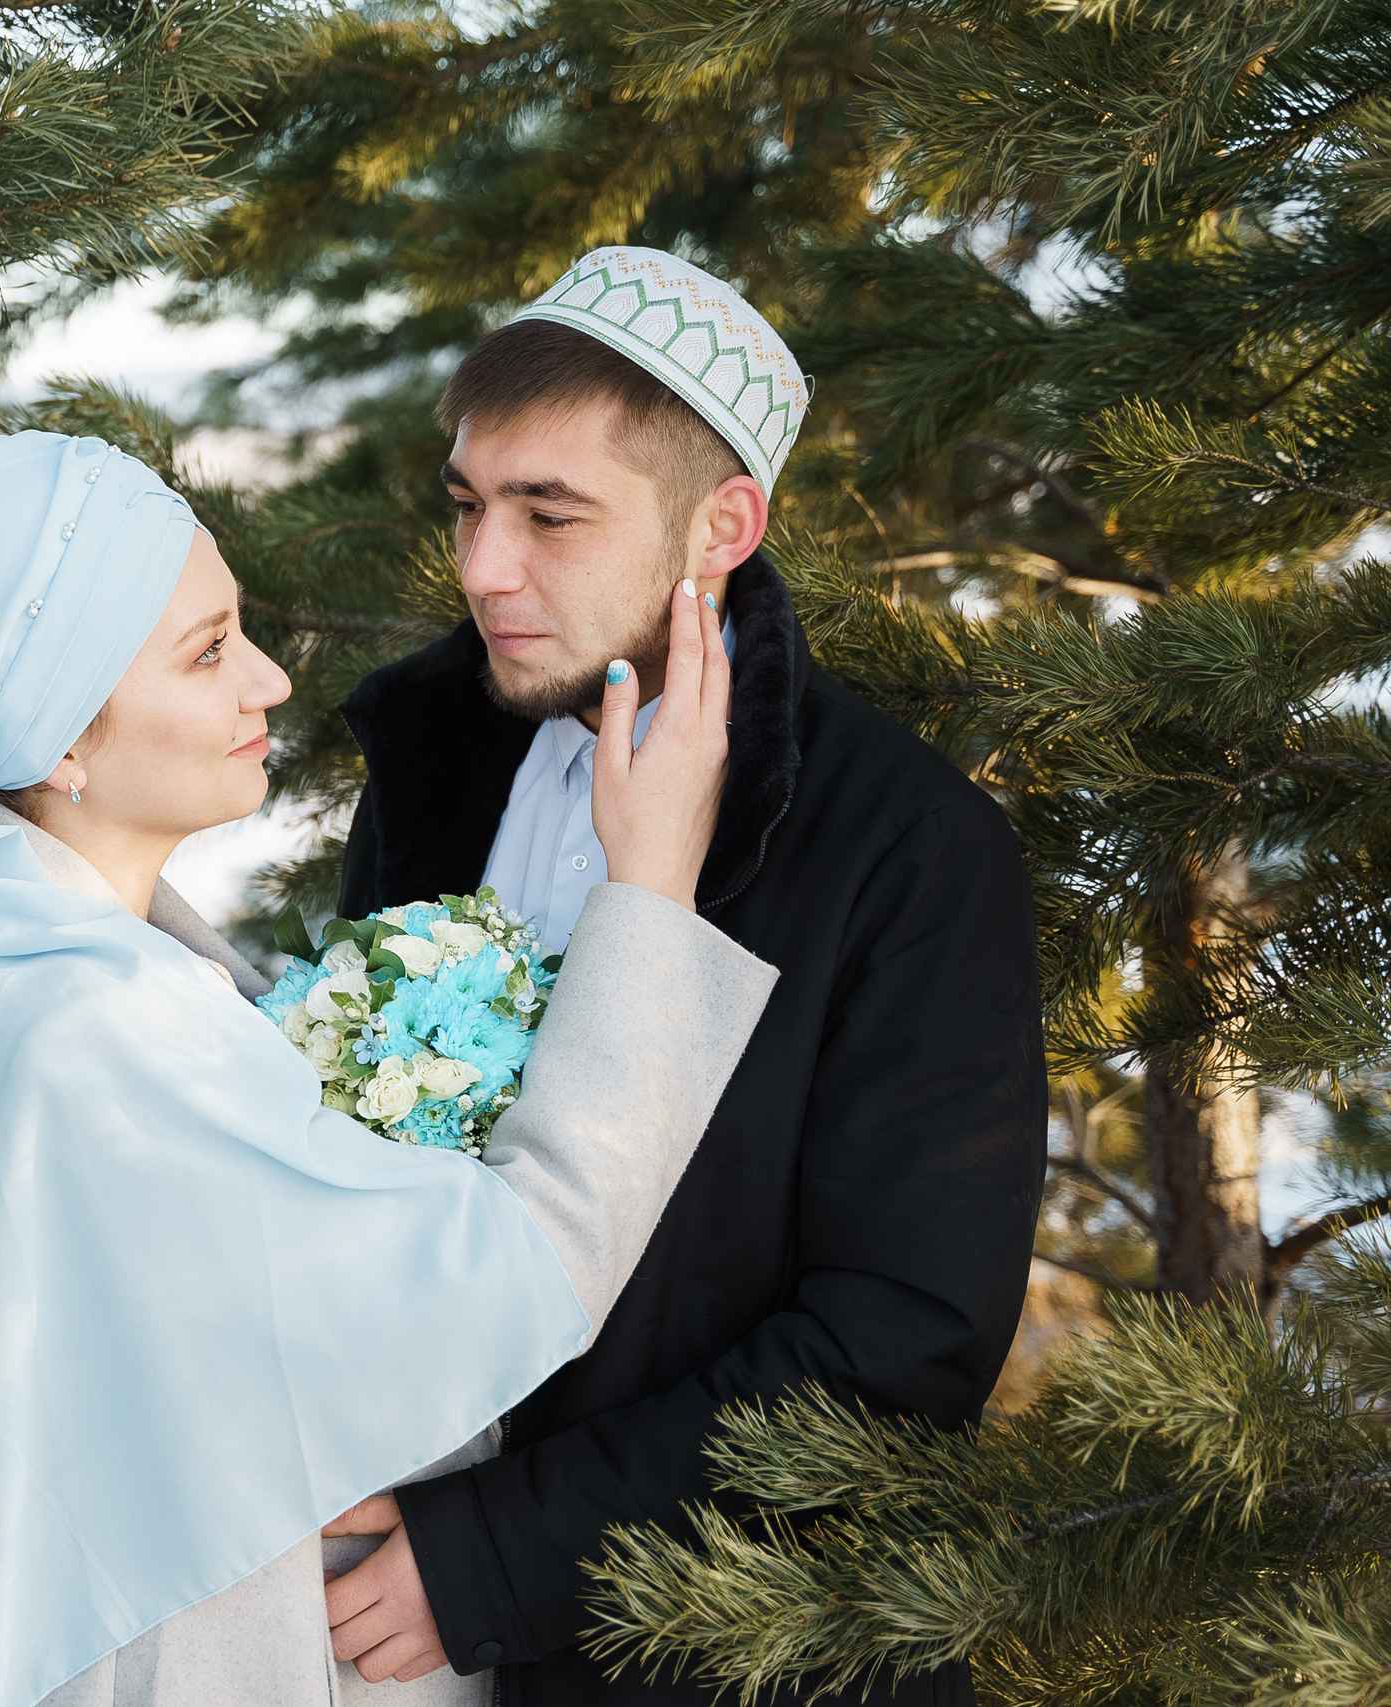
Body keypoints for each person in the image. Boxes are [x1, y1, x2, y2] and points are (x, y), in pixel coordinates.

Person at [0, 427, 779, 1707]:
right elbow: (509, 1271)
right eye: (204, 653)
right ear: (44, 733)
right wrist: (649, 890)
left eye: (238, 628)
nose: (267, 682)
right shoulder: (97, 1039)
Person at [331, 246, 1049, 1706]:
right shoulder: (432, 776)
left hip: (735, 1667)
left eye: (552, 513)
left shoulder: (907, 848)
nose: (481, 566)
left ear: (723, 523)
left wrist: (494, 1555)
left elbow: (900, 1345)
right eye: (469, 504)